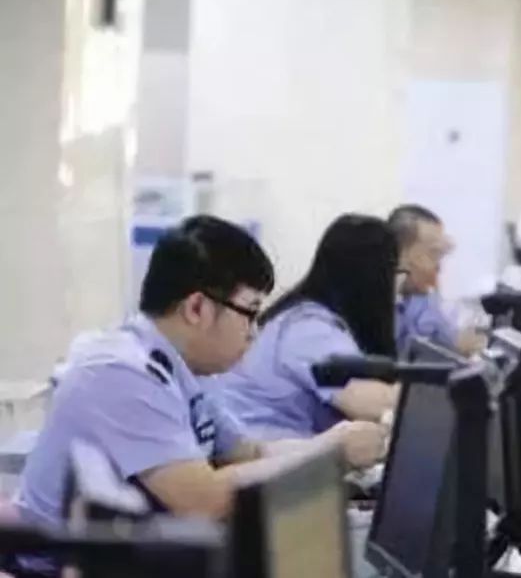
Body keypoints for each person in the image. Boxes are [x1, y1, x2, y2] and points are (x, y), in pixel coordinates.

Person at [6, 216, 386, 576]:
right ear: (197, 308)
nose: (253, 333)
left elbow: (249, 453)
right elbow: (203, 501)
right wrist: (330, 454)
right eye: (250, 313)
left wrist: (332, 446)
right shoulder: (122, 372)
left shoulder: (185, 368)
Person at [215, 214, 400, 439]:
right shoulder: (309, 329)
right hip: (258, 448)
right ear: (375, 278)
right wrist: (429, 390)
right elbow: (370, 403)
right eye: (397, 274)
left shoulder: (303, 316)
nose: (399, 287)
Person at [388, 204, 486, 356]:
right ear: (401, 254)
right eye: (433, 254)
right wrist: (456, 350)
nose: (439, 267)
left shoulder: (422, 298)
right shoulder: (380, 309)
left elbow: (451, 338)